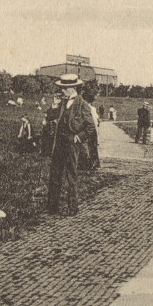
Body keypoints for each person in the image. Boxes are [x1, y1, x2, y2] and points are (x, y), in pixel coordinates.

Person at [46, 74, 96, 216]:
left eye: (64, 88)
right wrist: (54, 105)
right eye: (61, 88)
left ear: (72, 88)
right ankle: (52, 207)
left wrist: (79, 137)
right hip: (59, 143)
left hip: (72, 144)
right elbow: (50, 116)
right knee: (55, 175)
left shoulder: (82, 104)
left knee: (71, 176)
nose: (61, 91)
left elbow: (90, 126)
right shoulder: (61, 103)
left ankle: (73, 207)